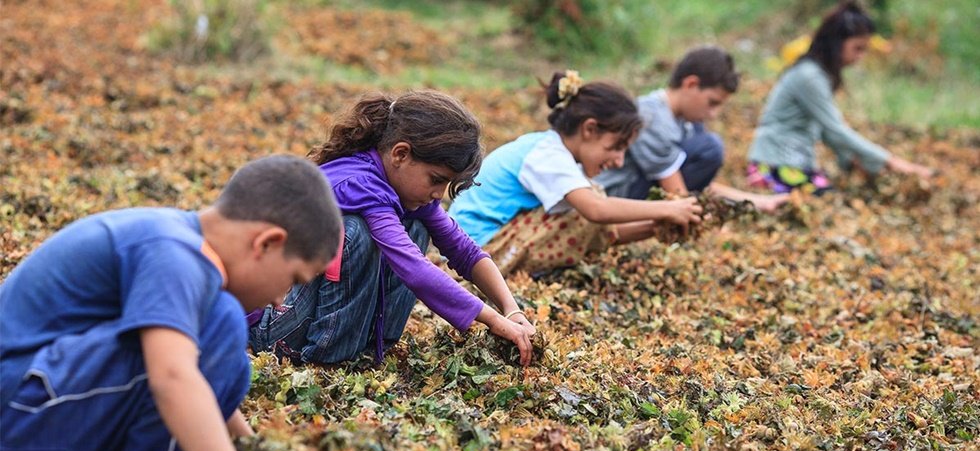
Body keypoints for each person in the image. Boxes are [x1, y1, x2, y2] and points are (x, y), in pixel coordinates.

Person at [0, 155, 342, 451]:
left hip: (33, 411)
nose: (282, 300)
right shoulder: (174, 252)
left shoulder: (174, 238)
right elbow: (173, 375)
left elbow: (207, 380)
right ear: (267, 243)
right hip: (15, 415)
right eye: (292, 279)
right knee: (223, 322)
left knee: (226, 352)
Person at [248, 91, 536, 368]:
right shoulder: (360, 184)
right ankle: (327, 358)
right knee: (355, 233)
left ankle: (370, 347)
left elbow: (465, 251)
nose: (439, 194)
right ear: (400, 154)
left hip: (306, 316)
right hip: (272, 327)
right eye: (436, 179)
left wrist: (510, 309)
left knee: (416, 225)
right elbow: (415, 269)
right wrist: (493, 320)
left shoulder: (403, 188)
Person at [447, 71, 703, 277]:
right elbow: (596, 212)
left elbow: (602, 228)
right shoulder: (547, 154)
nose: (619, 161)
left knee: (588, 202)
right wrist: (666, 209)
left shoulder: (555, 153)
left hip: (480, 243)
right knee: (586, 208)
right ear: (589, 129)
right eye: (615, 147)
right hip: (474, 249)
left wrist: (656, 226)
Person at [747, 1, 933, 194]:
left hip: (794, 162)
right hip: (775, 164)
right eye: (857, 48)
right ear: (836, 42)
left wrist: (855, 160)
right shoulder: (809, 76)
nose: (860, 56)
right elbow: (835, 130)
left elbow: (828, 133)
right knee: (828, 199)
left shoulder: (818, 75)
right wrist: (891, 161)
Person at [597, 47, 788, 213]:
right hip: (616, 197)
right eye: (712, 103)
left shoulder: (684, 122)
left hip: (642, 190)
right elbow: (677, 193)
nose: (713, 114)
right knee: (710, 148)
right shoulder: (652, 118)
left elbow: (695, 184)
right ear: (691, 84)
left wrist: (758, 202)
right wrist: (697, 219)